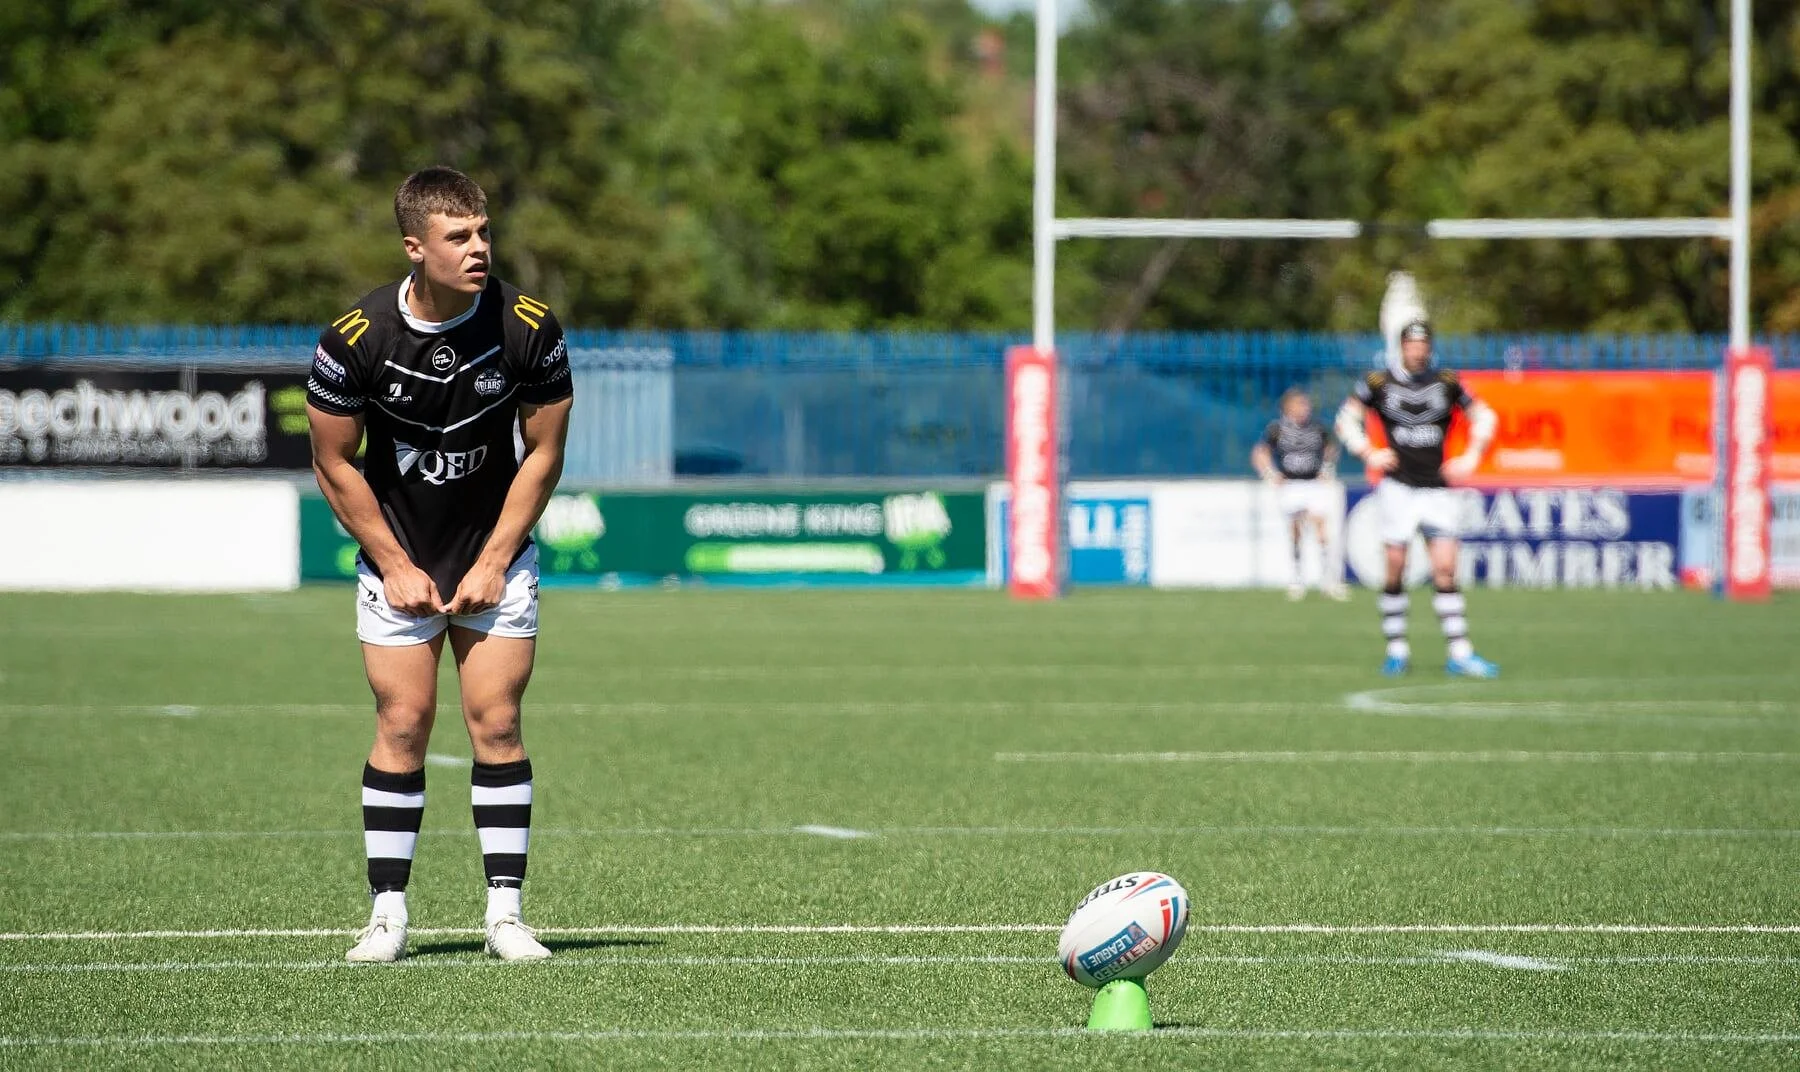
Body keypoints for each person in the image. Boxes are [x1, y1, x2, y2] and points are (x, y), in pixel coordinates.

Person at [306, 166, 574, 963]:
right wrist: (392, 562)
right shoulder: (354, 339)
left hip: (494, 558)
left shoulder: (529, 326)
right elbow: (333, 461)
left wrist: (495, 560)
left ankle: (506, 917)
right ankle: (388, 914)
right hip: (401, 562)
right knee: (404, 722)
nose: (479, 248)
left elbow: (545, 452)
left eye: (484, 232)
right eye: (459, 237)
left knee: (496, 722)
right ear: (415, 247)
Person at [1334, 320, 1499, 678]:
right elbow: (1346, 419)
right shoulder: (1377, 383)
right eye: (1411, 344)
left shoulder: (1447, 382)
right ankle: (1397, 650)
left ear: (1429, 348)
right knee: (1396, 565)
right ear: (1402, 347)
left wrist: (1472, 456)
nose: (1417, 350)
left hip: (1437, 488)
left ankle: (1460, 652)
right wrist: (1367, 451)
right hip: (1398, 488)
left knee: (1445, 568)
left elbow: (1485, 416)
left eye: (1422, 344)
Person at [1252, 388, 1347, 601]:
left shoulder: (1317, 428)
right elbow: (1260, 452)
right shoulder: (1277, 429)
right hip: (1291, 485)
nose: (1305, 409)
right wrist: (1270, 474)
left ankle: (1328, 580)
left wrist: (1327, 468)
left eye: (1306, 405)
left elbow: (1331, 448)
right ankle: (1296, 578)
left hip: (1313, 484)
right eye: (1300, 405)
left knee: (1321, 527)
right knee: (1296, 529)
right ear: (1288, 408)